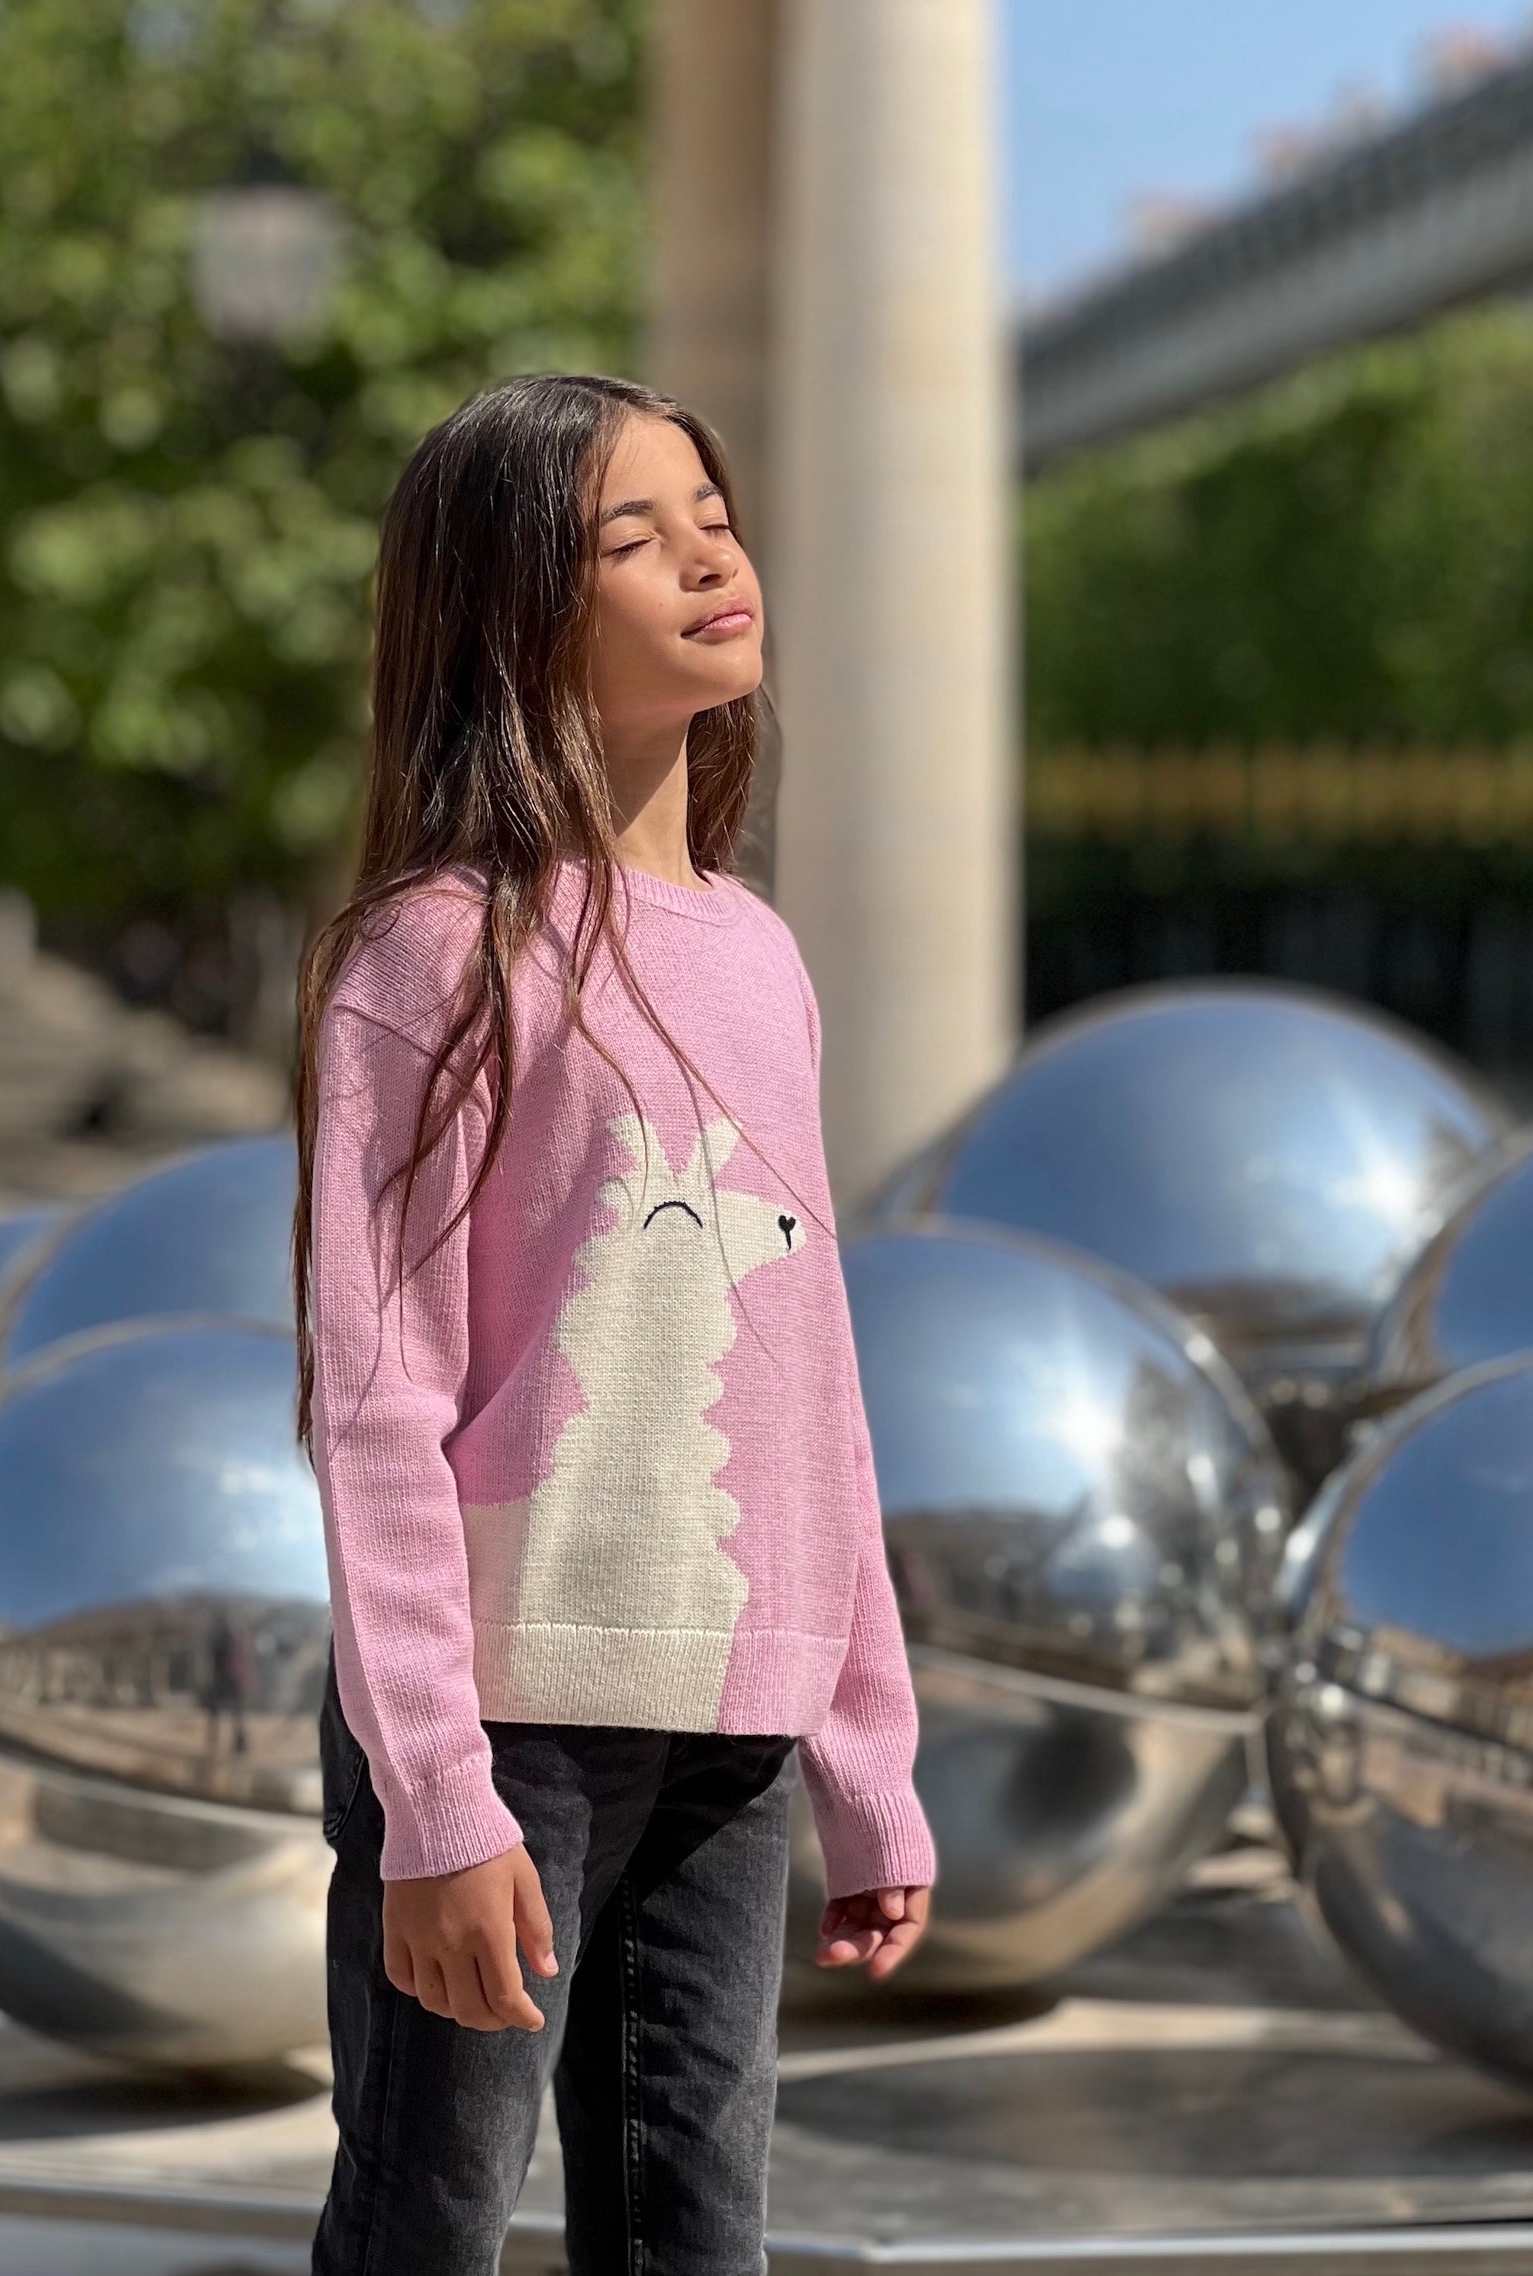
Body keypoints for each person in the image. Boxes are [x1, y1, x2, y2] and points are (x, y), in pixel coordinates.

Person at [292, 372, 937, 2274]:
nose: (706, 557)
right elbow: (377, 1398)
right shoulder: (432, 955)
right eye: (627, 538)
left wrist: (867, 1755)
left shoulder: (760, 953)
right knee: (425, 2226)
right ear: (511, 617)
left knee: (692, 2233)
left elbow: (811, 1396)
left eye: (708, 514)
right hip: (504, 1725)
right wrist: (433, 1796)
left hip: (727, 1711)